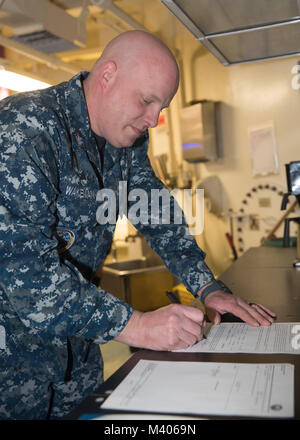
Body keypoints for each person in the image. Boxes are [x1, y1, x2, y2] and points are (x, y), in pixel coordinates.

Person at [0, 30, 276, 420]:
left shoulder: (123, 141)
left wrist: (208, 287)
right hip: (11, 358)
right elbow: (27, 278)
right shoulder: (22, 132)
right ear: (107, 76)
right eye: (147, 100)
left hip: (76, 349)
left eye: (160, 107)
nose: (153, 119)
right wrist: (137, 325)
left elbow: (155, 212)